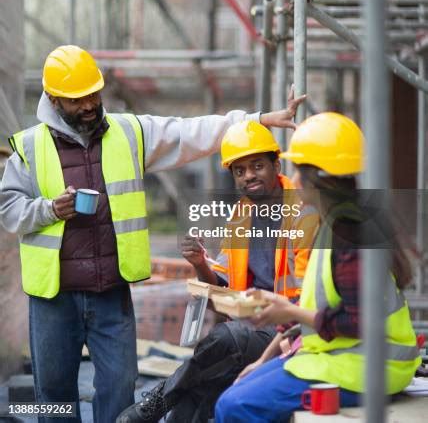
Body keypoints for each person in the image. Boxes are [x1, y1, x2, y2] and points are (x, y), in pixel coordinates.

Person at [0, 45, 304, 423]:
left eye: (94, 94)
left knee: (120, 388)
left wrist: (255, 120)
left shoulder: (127, 132)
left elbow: (187, 132)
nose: (90, 105)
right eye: (78, 100)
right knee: (53, 393)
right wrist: (49, 209)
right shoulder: (29, 147)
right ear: (53, 100)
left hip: (110, 293)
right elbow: (7, 210)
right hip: (53, 297)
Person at [215, 112, 421, 422]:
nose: (294, 180)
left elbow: (359, 322)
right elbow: (315, 304)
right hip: (344, 355)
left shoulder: (349, 232)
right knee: (236, 390)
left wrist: (291, 312)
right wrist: (264, 359)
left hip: (368, 366)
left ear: (320, 177)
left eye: (300, 170)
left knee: (233, 406)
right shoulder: (336, 223)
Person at [117, 120, 319, 423]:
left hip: (290, 329)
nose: (249, 175)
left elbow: (302, 301)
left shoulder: (303, 214)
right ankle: (167, 407)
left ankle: (158, 399)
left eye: (257, 166)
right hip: (252, 327)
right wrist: (199, 263)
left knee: (226, 339)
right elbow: (220, 290)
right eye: (240, 171)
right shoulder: (241, 217)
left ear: (276, 164)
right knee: (202, 389)